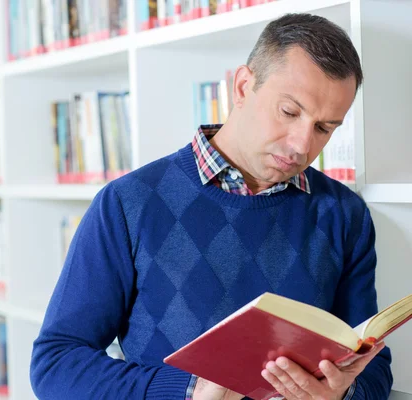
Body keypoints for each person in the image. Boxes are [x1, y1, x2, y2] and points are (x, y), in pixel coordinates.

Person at [30, 12, 393, 400]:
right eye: (289, 112)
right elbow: (56, 364)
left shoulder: (344, 213)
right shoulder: (128, 203)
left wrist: (344, 393)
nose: (303, 145)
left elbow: (373, 370)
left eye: (324, 128)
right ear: (242, 87)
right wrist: (188, 392)